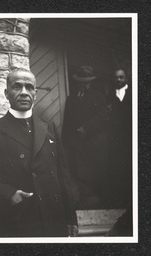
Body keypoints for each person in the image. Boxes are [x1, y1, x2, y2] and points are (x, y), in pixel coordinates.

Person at [0, 68, 78, 237]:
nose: (24, 92)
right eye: (17, 87)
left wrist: (71, 218)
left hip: (54, 218)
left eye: (29, 87)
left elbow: (63, 174)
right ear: (6, 93)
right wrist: (8, 194)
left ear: (35, 93)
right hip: (19, 219)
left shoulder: (49, 127)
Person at [62, 66, 108, 209]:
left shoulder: (98, 97)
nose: (83, 84)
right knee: (76, 170)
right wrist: (64, 141)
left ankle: (96, 202)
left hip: (92, 142)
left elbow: (102, 117)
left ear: (91, 82)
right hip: (75, 143)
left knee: (92, 171)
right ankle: (80, 202)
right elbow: (67, 122)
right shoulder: (71, 99)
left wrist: (86, 128)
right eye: (81, 81)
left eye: (86, 81)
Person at [105, 68, 132, 236]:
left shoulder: (133, 94)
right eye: (116, 77)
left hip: (131, 139)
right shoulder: (108, 96)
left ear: (126, 78)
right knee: (116, 170)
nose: (119, 80)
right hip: (114, 141)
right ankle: (117, 198)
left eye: (121, 77)